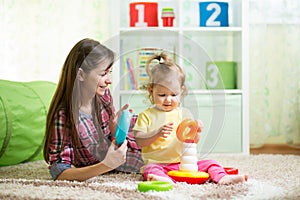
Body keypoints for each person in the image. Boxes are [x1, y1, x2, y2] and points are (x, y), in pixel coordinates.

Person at [132, 52, 248, 185]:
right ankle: (163, 180)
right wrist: (157, 133)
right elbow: (139, 141)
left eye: (174, 94)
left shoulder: (184, 114)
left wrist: (196, 132)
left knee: (210, 163)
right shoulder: (146, 115)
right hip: (158, 165)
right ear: (151, 91)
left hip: (183, 164)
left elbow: (191, 141)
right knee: (149, 170)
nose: (168, 99)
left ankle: (222, 178)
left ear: (181, 91)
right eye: (162, 94)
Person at [43, 38, 144, 181]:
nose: (109, 80)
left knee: (155, 144)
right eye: (103, 74)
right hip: (99, 163)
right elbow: (59, 172)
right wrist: (106, 165)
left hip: (109, 153)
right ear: (81, 75)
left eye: (110, 72)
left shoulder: (103, 95)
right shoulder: (65, 116)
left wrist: (116, 130)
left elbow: (110, 141)